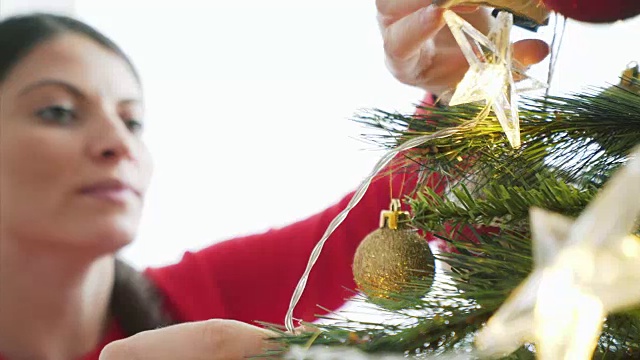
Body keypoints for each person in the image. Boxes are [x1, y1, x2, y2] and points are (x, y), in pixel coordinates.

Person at [0, 2, 549, 360]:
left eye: (132, 119)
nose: (117, 143)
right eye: (56, 111)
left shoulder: (200, 302)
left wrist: (460, 89)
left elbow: (379, 217)